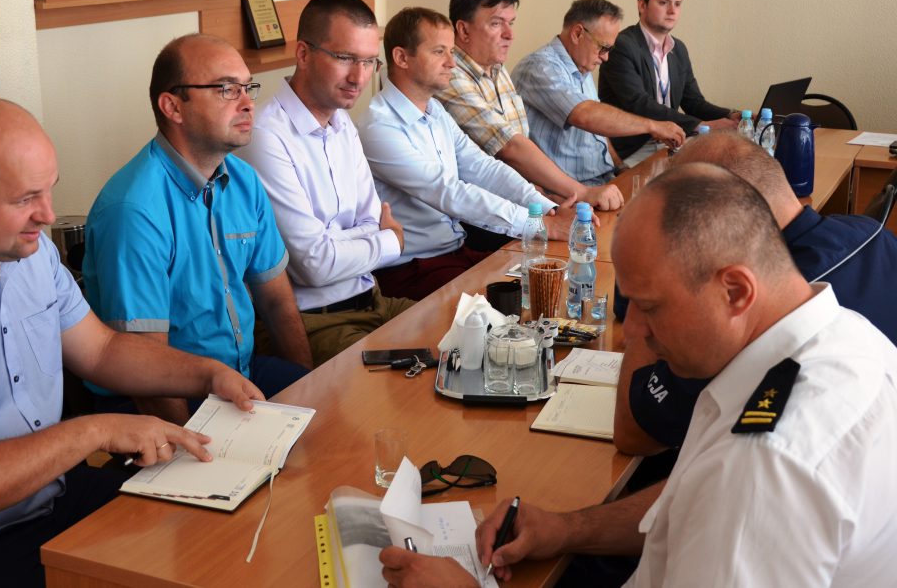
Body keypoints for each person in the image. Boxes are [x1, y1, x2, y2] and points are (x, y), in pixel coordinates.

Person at [380, 163, 897, 587]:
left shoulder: (763, 468)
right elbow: (693, 505)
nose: (635, 335)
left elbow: (731, 497)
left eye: (649, 308)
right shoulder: (848, 338)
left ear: (736, 291)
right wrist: (567, 529)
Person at [0, 99, 263, 587]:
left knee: (211, 535)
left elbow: (100, 350)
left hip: (42, 499)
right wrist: (95, 431)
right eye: (25, 199)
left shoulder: (24, 249)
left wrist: (206, 374)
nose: (48, 215)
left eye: (49, 190)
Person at [615, 131, 897, 454]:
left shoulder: (768, 308)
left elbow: (633, 433)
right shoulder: (872, 232)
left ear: (726, 215)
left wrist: (647, 288)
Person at [83, 35, 311, 424]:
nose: (247, 103)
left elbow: (277, 302)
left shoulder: (244, 180)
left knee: (330, 414)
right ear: (173, 106)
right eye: (226, 89)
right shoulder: (134, 211)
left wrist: (306, 393)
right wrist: (189, 451)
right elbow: (145, 368)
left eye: (248, 87)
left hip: (236, 376)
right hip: (158, 401)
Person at [235, 0, 414, 366]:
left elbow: (369, 220)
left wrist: (345, 240)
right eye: (345, 58)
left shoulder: (341, 121)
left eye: (368, 61)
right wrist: (389, 242)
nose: (359, 77)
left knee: (467, 330)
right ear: (303, 54)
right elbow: (314, 266)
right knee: (404, 383)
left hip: (374, 300)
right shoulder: (265, 135)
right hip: (316, 322)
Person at [359, 7, 576, 300]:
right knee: (518, 306)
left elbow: (483, 168)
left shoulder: (435, 110)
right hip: (413, 269)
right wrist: (538, 225)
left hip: (457, 252)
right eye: (439, 52)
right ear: (401, 58)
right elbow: (449, 192)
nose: (451, 62)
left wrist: (546, 208)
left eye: (451, 52)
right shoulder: (379, 126)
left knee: (549, 282)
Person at [435, 0, 623, 252]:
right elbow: (510, 148)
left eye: (511, 23)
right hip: (483, 219)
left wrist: (550, 196)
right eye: (497, 24)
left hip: (523, 200)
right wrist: (580, 192)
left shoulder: (497, 70)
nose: (509, 34)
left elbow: (522, 142)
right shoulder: (452, 77)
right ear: (463, 30)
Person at [511, 0, 685, 185]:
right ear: (578, 34)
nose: (606, 57)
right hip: (569, 189)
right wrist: (653, 126)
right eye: (603, 48)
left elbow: (598, 131)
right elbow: (585, 115)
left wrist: (620, 168)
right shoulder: (538, 67)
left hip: (603, 179)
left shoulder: (582, 67)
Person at [599, 0, 738, 166]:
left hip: (671, 144)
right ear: (642, 5)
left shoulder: (678, 49)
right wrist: (700, 125)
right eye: (664, 3)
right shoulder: (622, 45)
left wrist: (731, 115)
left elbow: (694, 102)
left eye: (678, 4)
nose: (672, 11)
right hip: (632, 150)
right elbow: (638, 103)